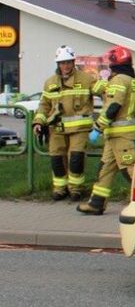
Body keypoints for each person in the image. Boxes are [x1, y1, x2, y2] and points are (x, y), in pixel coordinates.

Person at [78, 45, 135, 216]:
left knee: (129, 170)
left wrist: (97, 128)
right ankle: (96, 203)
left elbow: (113, 106)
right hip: (118, 135)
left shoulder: (119, 80)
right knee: (105, 169)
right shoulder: (132, 81)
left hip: (120, 135)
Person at [32, 46, 99, 201]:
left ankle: (76, 189)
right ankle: (60, 189)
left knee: (76, 158)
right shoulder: (50, 82)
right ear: (58, 64)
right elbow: (44, 105)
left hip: (79, 129)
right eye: (62, 63)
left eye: (68, 62)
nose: (66, 66)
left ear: (73, 62)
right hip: (56, 128)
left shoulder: (86, 79)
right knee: (56, 159)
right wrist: (38, 122)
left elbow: (104, 92)